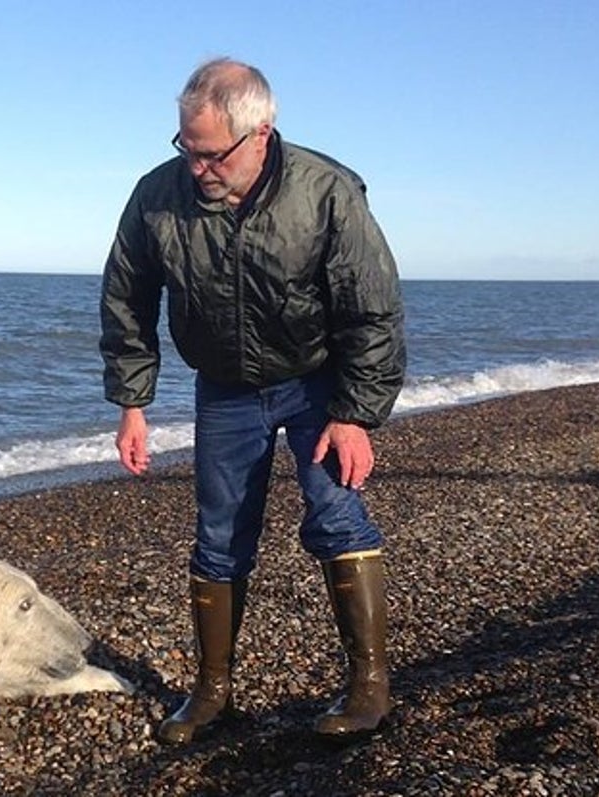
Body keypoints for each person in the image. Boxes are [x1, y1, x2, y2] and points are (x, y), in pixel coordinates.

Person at [99, 57, 406, 746]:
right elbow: (127, 297)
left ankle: (370, 686)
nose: (197, 167)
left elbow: (374, 310)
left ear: (260, 131)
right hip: (226, 389)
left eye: (211, 153)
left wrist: (355, 413)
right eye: (186, 147)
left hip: (317, 383)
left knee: (335, 515)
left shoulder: (326, 192)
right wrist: (132, 402)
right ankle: (211, 691)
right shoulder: (156, 196)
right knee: (218, 534)